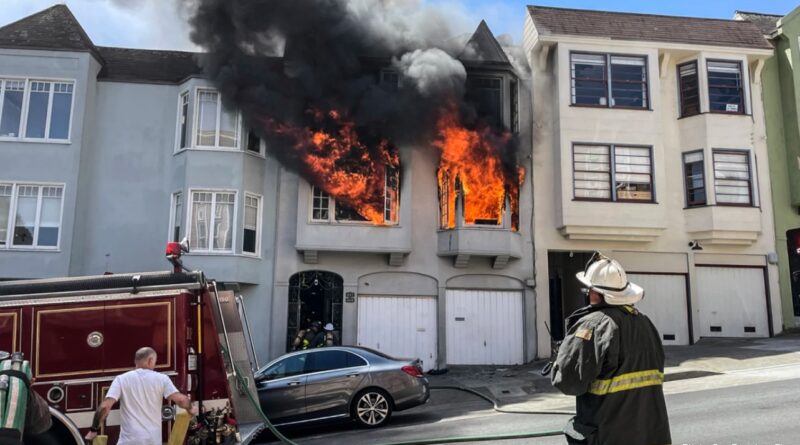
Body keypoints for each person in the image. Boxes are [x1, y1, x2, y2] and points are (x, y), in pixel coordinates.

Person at [550, 254, 671, 445]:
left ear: (595, 293)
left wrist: (560, 361)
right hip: (650, 434)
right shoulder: (645, 322)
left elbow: (568, 382)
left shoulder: (593, 325)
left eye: (588, 289)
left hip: (608, 435)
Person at [84, 347, 198, 445]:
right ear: (150, 360)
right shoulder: (162, 379)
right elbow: (181, 399)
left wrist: (94, 429)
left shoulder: (121, 379)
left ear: (135, 361)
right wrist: (191, 408)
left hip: (128, 442)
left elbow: (105, 407)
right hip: (152, 441)